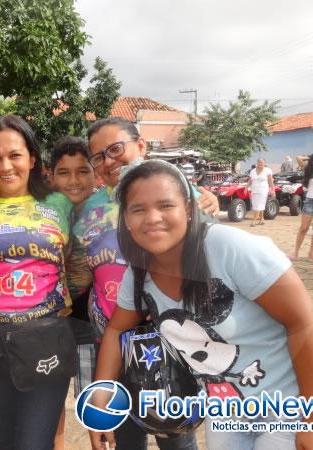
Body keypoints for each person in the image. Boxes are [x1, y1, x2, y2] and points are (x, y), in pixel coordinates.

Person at [90, 159, 313, 450]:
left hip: (291, 406)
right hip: (227, 412)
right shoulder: (138, 272)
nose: (152, 217)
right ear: (126, 219)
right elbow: (116, 330)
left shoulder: (229, 248)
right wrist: (101, 402)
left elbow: (304, 320)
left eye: (165, 205)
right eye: (138, 209)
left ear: (187, 209)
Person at [72, 116, 219, 450]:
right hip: (112, 345)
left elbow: (208, 254)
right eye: (98, 157)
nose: (108, 161)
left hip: (172, 346)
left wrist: (207, 199)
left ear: (141, 146)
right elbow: (79, 275)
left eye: (116, 149)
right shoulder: (87, 211)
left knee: (177, 439)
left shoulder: (180, 193)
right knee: (125, 441)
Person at [0, 115, 75, 450]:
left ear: (32, 158)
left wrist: (199, 197)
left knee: (35, 443)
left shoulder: (61, 204)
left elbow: (114, 207)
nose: (6, 166)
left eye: (15, 155)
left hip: (46, 341)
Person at [49, 136, 98, 450]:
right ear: (50, 175)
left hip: (94, 328)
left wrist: (201, 195)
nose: (74, 180)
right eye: (64, 173)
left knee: (98, 409)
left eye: (83, 171)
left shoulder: (111, 206)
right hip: (50, 327)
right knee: (50, 404)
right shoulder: (42, 211)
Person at [247, 158, 275, 226]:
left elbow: (270, 181)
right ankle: (262, 219)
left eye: (262, 162)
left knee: (258, 206)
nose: (260, 164)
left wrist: (273, 190)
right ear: (257, 163)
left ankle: (253, 221)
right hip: (254, 190)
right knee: (257, 205)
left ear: (264, 163)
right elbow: (250, 180)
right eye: (259, 162)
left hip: (263, 190)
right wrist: (246, 187)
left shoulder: (268, 170)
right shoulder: (252, 171)